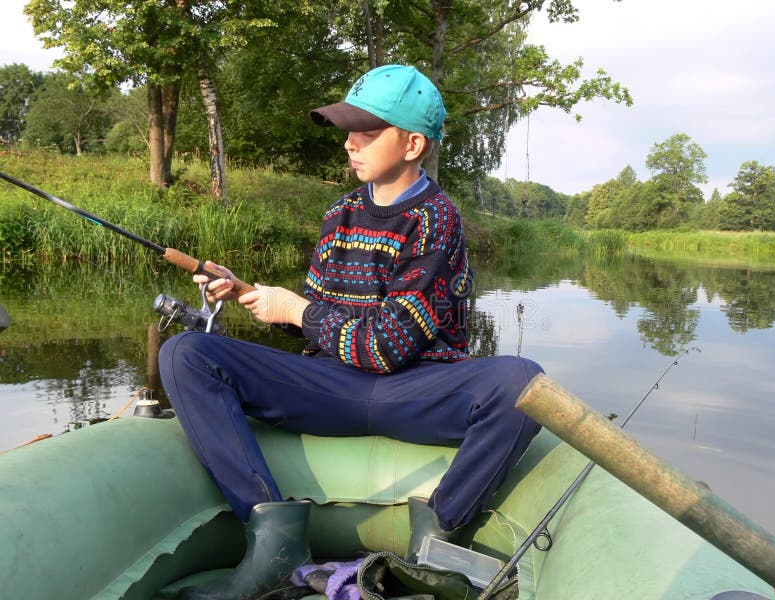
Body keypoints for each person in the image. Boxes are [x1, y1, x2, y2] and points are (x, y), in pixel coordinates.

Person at [158, 64, 544, 600]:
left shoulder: (437, 218)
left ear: (411, 144)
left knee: (521, 383)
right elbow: (319, 318)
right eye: (347, 129)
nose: (349, 143)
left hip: (415, 389)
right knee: (185, 354)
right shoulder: (339, 213)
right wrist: (254, 294)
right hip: (332, 383)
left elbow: (386, 347)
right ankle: (272, 541)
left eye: (366, 131)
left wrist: (298, 311)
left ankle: (434, 538)